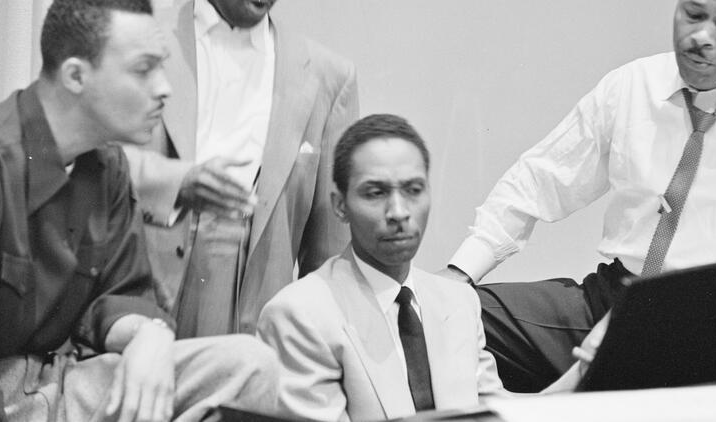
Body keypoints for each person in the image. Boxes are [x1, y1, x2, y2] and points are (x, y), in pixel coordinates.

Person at [443, 0, 716, 397]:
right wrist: (458, 277)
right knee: (446, 318)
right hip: (618, 299)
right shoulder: (632, 86)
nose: (701, 37)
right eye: (693, 13)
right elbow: (538, 180)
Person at [0, 0, 279, 421]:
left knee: (251, 363)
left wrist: (150, 336)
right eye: (143, 69)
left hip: (59, 383)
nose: (164, 88)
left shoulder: (108, 166)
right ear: (76, 76)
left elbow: (121, 295)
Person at [256, 114, 601, 422]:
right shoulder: (299, 316)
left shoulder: (458, 302)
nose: (398, 211)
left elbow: (494, 413)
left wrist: (584, 372)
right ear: (340, 206)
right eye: (375, 193)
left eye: (413, 190)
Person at [123, 0, 359, 338]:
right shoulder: (138, 41)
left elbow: (329, 242)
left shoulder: (327, 75)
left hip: (259, 304)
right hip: (142, 288)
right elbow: (99, 172)